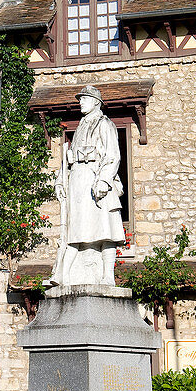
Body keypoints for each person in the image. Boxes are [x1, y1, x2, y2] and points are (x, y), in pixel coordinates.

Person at [51, 85, 124, 287]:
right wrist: (60, 180)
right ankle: (64, 276)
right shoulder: (81, 125)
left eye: (84, 98)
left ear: (95, 102)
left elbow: (112, 155)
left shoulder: (104, 123)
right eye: (80, 99)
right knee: (75, 230)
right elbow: (70, 157)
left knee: (106, 229)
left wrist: (103, 180)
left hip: (96, 178)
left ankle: (107, 275)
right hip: (78, 182)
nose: (80, 102)